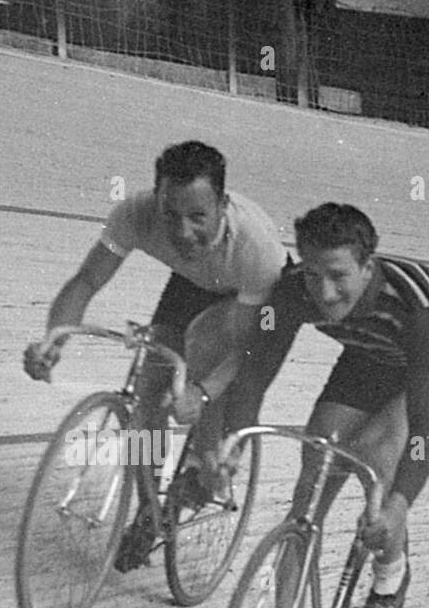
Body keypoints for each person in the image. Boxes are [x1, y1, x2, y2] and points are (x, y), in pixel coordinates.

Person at [23, 141, 288, 570]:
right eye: (171, 215)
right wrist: (54, 338)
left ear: (222, 204)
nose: (182, 232)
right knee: (151, 390)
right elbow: (87, 281)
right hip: (194, 280)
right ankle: (151, 511)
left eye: (197, 217)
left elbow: (254, 348)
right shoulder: (135, 214)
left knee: (204, 353)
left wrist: (202, 394)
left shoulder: (256, 247)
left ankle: (207, 471)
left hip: (252, 298)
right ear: (156, 199)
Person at [230, 203, 429, 608]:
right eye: (312, 274)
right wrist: (231, 445)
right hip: (368, 359)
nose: (323, 293)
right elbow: (254, 373)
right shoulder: (291, 293)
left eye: (339, 276)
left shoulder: (418, 306)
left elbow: (421, 435)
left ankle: (389, 577)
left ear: (368, 267)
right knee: (314, 471)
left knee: (381, 460)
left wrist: (399, 504)